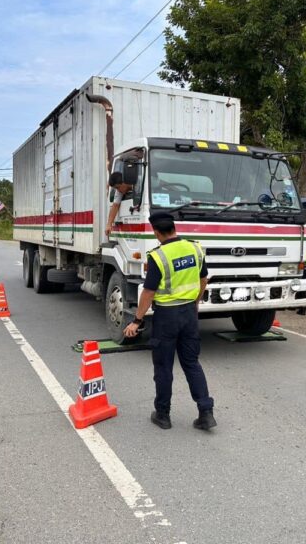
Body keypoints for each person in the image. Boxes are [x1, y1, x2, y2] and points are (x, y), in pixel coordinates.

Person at [122, 211, 215, 431]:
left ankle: (163, 415)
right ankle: (206, 413)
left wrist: (136, 320)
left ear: (156, 232)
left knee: (164, 367)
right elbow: (203, 279)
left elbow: (148, 292)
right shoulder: (194, 248)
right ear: (174, 228)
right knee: (191, 363)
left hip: (166, 317)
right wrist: (195, 302)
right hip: (189, 313)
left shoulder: (158, 256)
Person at [105, 172, 133, 238]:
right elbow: (115, 205)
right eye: (116, 188)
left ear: (124, 182)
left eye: (118, 187)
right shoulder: (119, 191)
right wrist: (109, 224)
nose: (118, 190)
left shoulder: (140, 183)